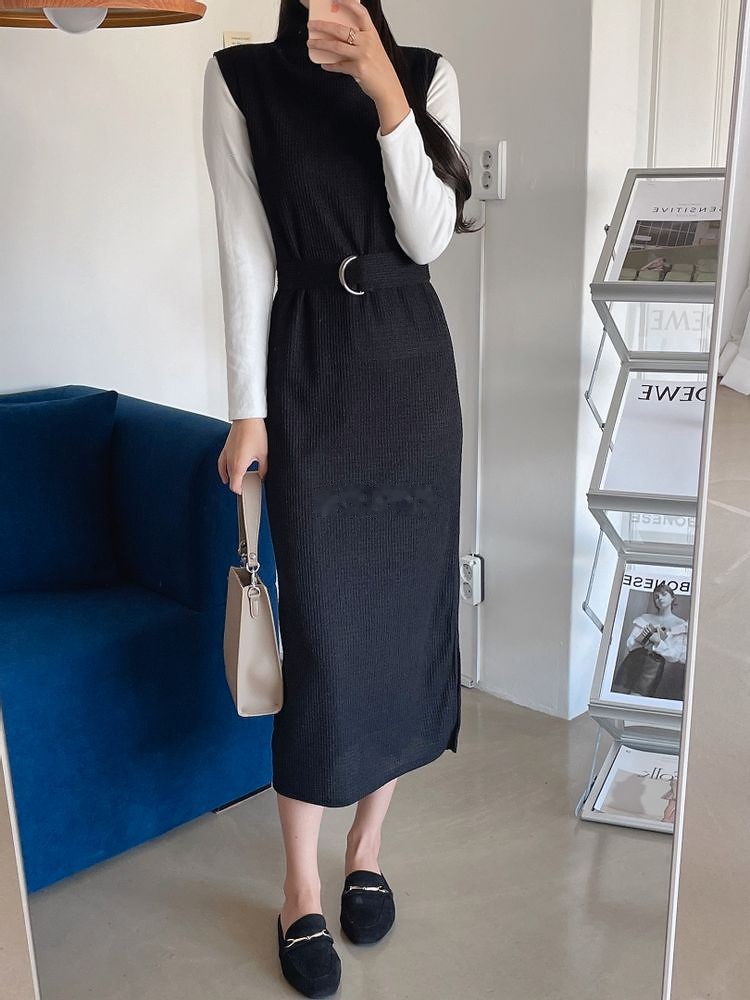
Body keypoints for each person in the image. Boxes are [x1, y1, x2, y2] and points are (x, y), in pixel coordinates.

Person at [202, 1, 479, 994]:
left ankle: (367, 848)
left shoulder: (427, 73)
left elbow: (428, 235)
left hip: (411, 369)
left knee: (399, 626)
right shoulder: (239, 80)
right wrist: (246, 410)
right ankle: (300, 888)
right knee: (324, 634)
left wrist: (386, 93)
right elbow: (244, 250)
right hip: (311, 365)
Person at [611, 584, 688, 698]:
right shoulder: (645, 618)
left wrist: (658, 642)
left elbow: (678, 656)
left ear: (672, 598)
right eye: (656, 596)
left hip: (653, 667)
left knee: (637, 698)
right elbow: (630, 644)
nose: (660, 598)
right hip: (632, 660)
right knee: (617, 695)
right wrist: (641, 638)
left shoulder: (680, 624)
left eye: (664, 594)